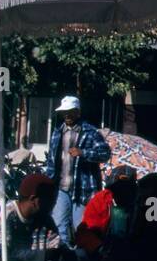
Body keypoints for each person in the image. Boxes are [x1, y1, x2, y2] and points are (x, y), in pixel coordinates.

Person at [43, 96, 111, 248]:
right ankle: (64, 259)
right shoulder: (57, 132)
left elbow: (105, 153)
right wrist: (48, 182)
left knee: (81, 227)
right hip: (60, 187)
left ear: (77, 113)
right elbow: (51, 162)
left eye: (70, 112)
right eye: (64, 112)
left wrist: (84, 153)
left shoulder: (90, 132)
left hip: (83, 190)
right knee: (59, 225)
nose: (67, 116)